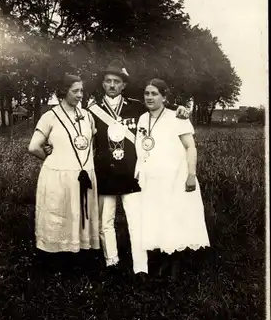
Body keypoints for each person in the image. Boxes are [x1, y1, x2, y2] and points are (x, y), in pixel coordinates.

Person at [87, 61, 189, 278]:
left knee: (137, 222)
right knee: (106, 222)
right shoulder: (91, 111)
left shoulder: (137, 106)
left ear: (123, 85)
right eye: (108, 81)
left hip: (131, 175)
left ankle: (140, 267)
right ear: (103, 84)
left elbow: (162, 110)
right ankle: (111, 262)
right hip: (105, 173)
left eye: (117, 82)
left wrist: (182, 108)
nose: (112, 85)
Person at [134, 78, 210, 276]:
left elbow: (190, 147)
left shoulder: (177, 117)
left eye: (154, 94)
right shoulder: (142, 119)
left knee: (175, 217)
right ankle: (164, 258)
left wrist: (191, 175)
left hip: (175, 177)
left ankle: (175, 262)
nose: (149, 97)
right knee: (158, 218)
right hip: (152, 179)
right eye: (147, 93)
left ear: (164, 97)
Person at [28, 74, 100, 258]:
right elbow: (34, 146)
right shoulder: (49, 117)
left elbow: (88, 142)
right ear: (63, 91)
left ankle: (79, 252)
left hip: (83, 174)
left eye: (81, 91)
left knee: (79, 214)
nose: (79, 95)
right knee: (59, 214)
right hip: (58, 175)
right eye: (75, 91)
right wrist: (53, 158)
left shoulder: (87, 116)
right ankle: (56, 255)